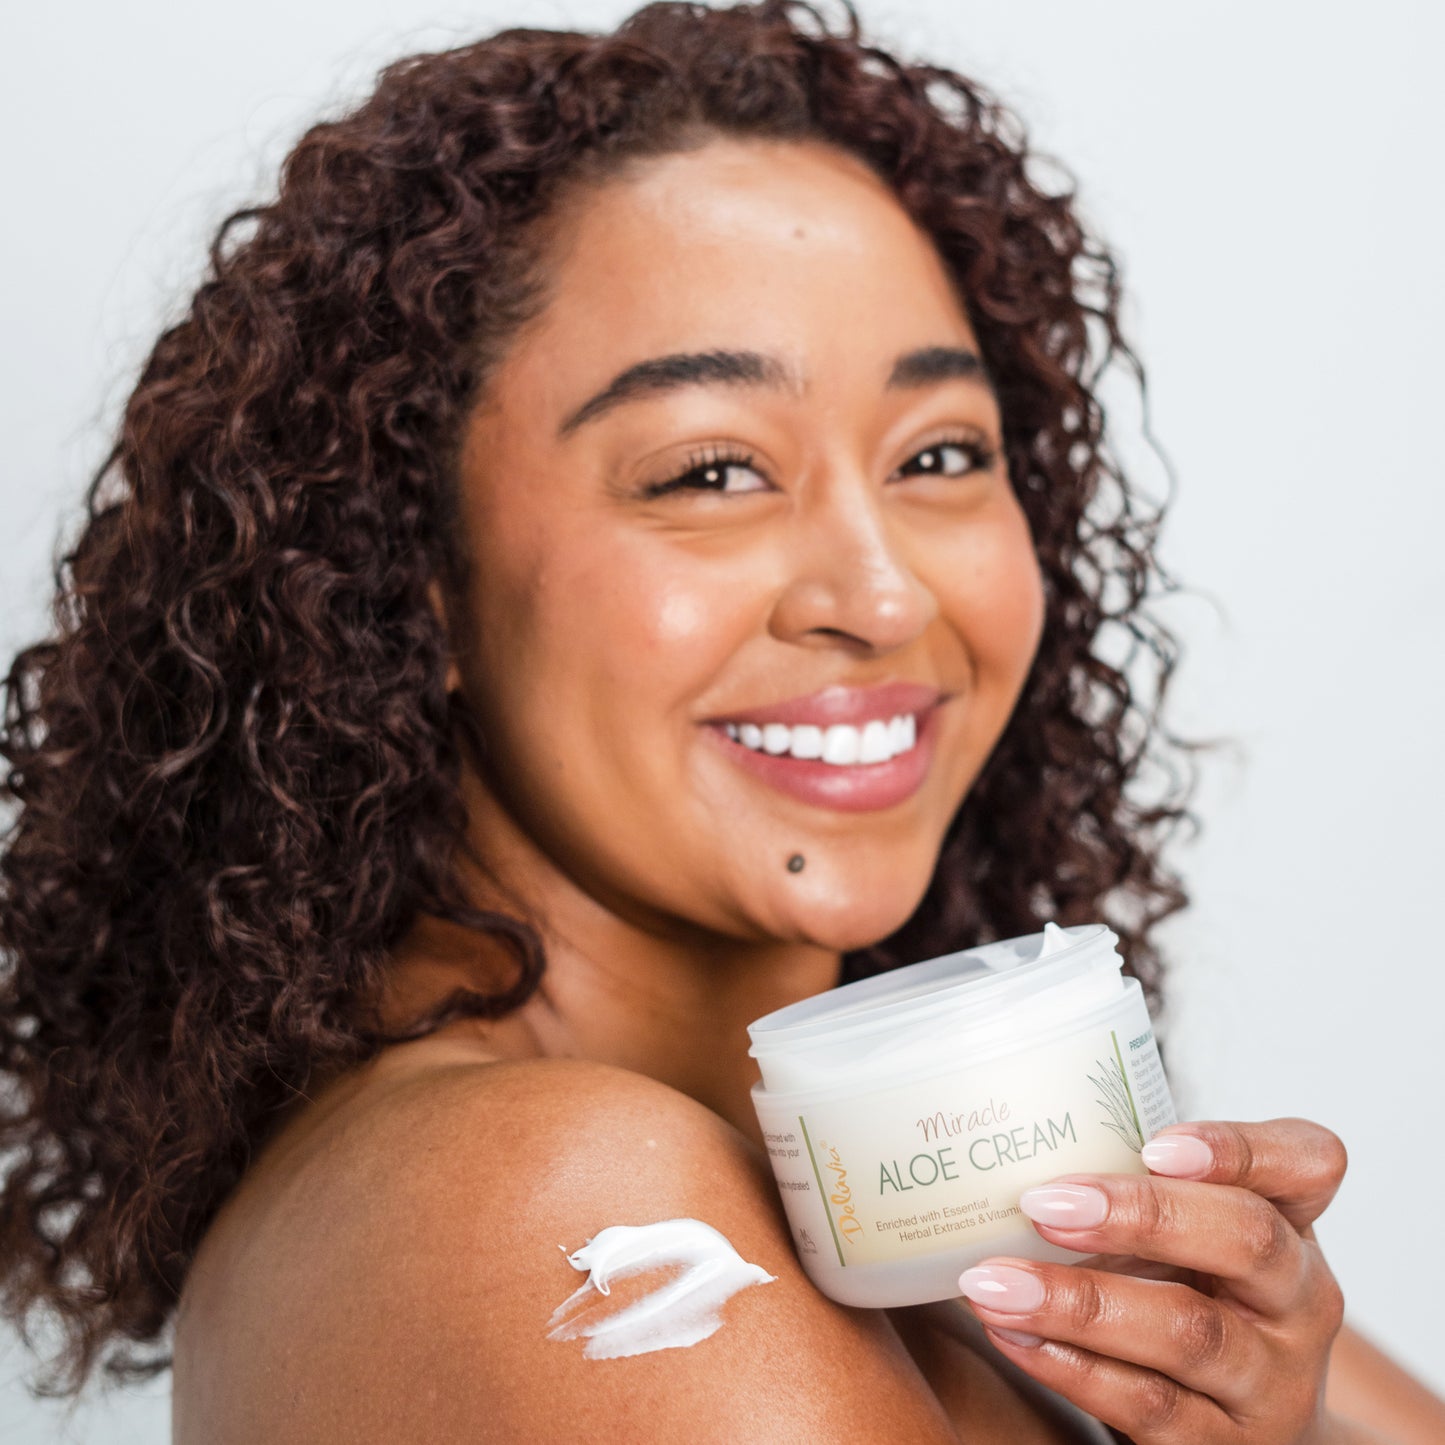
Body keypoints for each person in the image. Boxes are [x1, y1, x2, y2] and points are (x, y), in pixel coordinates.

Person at [1, 1, 1441, 1439]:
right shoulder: (567, 1203)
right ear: (411, 578)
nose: (880, 596)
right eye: (706, 473)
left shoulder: (898, 1184)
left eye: (938, 452)